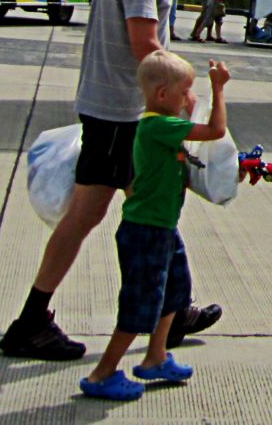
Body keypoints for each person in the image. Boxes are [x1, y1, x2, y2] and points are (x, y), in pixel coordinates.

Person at [0, 0, 221, 361]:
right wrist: (181, 93)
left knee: (123, 209)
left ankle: (171, 306)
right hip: (126, 113)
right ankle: (37, 321)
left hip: (109, 106)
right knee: (127, 210)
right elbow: (145, 43)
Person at [79, 51, 230, 401]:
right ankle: (103, 374)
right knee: (140, 302)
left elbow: (190, 158)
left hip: (162, 228)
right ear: (163, 95)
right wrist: (217, 90)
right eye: (185, 91)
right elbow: (215, 130)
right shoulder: (158, 126)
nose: (189, 98)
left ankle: (156, 356)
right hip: (146, 231)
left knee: (175, 289)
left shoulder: (161, 127)